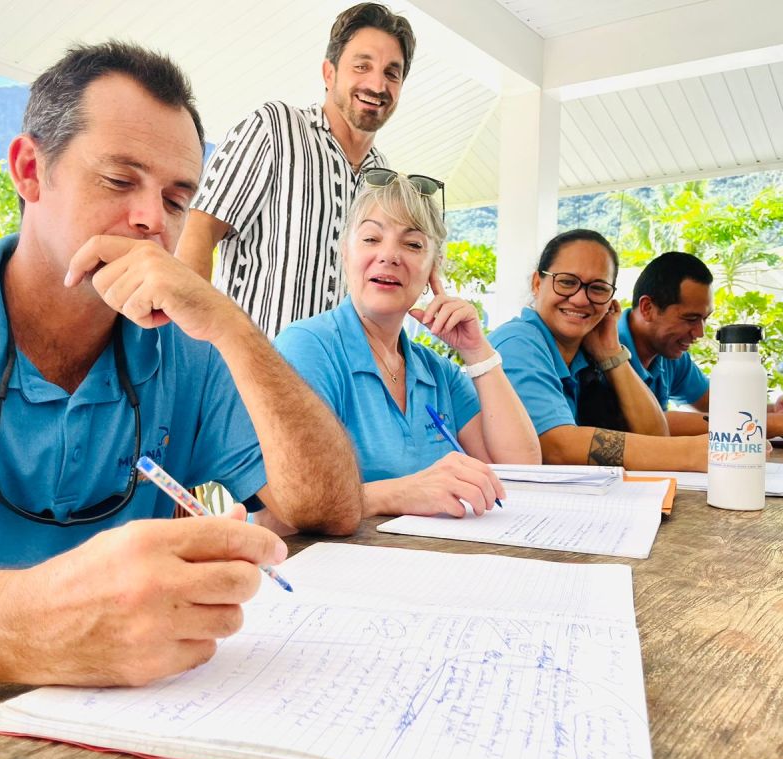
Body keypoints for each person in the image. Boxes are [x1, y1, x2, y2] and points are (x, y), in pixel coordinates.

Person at [0, 42, 362, 687]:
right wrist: (26, 626)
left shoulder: (188, 350)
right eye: (119, 180)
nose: (150, 221)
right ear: (28, 170)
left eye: (176, 197)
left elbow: (330, 509)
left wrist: (233, 327)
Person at [257, 170, 540, 528]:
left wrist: (477, 351)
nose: (389, 255)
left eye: (412, 244)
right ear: (345, 254)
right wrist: (401, 492)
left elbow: (522, 470)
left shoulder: (436, 371)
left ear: (432, 270)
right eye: (372, 238)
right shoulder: (308, 346)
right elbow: (284, 510)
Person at [175, 2, 416, 337]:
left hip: (334, 382)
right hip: (248, 376)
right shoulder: (274, 128)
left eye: (392, 73)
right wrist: (194, 344)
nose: (377, 84)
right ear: (329, 73)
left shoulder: (382, 177)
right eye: (362, 66)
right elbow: (198, 231)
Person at [489, 229, 710, 470]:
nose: (581, 299)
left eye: (598, 288)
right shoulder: (518, 343)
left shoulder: (588, 354)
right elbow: (555, 447)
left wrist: (612, 355)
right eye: (566, 282)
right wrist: (693, 453)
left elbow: (656, 435)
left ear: (611, 301)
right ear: (536, 283)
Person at [622, 251, 783, 436]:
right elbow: (648, 424)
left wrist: (773, 411)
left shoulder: (669, 353)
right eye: (690, 318)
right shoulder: (606, 349)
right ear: (647, 308)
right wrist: (771, 424)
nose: (700, 333)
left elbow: (721, 405)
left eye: (704, 319)